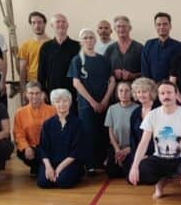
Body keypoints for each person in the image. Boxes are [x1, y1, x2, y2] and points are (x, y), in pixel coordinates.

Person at [129, 81, 181, 199]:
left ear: (175, 95)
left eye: (169, 92)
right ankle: (159, 186)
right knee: (140, 172)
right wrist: (134, 166)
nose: (166, 96)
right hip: (160, 158)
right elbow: (143, 143)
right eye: (162, 93)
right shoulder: (152, 115)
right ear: (158, 96)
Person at [68, 29, 115, 171]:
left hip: (104, 103)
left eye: (91, 38)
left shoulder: (103, 59)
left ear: (95, 40)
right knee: (89, 133)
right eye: (85, 38)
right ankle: (90, 165)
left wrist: (105, 100)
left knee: (103, 132)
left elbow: (111, 80)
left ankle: (102, 162)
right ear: (81, 41)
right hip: (86, 105)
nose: (88, 40)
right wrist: (92, 102)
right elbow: (76, 83)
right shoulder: (77, 60)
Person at [37, 89, 85, 189]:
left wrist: (60, 168)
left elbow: (77, 151)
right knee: (43, 182)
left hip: (70, 162)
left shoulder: (78, 123)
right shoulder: (47, 124)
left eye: (65, 101)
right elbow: (43, 148)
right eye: (58, 101)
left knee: (62, 182)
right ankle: (55, 174)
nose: (61, 104)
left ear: (70, 102)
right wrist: (48, 167)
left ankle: (74, 174)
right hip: (52, 162)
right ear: (53, 103)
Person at [13, 81, 55, 176]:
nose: (34, 96)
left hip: (50, 147)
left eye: (37, 93)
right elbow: (18, 134)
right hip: (32, 147)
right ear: (26, 95)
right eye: (31, 93)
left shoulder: (53, 110)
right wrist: (26, 147)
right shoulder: (20, 112)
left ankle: (44, 167)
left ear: (42, 94)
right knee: (22, 152)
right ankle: (37, 166)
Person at [38, 14, 80, 106]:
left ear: (67, 25)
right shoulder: (45, 47)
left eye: (63, 22)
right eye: (58, 22)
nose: (61, 24)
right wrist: (42, 91)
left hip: (73, 94)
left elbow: (82, 72)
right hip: (52, 95)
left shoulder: (77, 46)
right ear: (52, 25)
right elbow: (41, 73)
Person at [104, 82, 138, 178]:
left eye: (127, 91)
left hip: (132, 147)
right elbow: (110, 131)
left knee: (128, 172)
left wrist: (129, 149)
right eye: (121, 91)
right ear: (117, 93)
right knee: (111, 172)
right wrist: (117, 149)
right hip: (118, 146)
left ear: (132, 93)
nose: (123, 93)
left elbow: (140, 134)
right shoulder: (112, 109)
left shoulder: (137, 109)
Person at [141, 12, 181, 83]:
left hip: (169, 89)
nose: (162, 27)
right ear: (155, 26)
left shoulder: (177, 46)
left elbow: (177, 71)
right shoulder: (149, 44)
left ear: (170, 26)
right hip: (151, 88)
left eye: (165, 24)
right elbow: (144, 68)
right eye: (158, 24)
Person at [18, 11, 50, 104]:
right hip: (31, 85)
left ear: (44, 24)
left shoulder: (51, 44)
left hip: (47, 85)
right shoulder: (25, 45)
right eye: (33, 23)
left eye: (39, 22)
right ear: (31, 25)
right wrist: (24, 90)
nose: (37, 25)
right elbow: (22, 69)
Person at [127, 78, 158, 171]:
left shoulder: (158, 110)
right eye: (138, 92)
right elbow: (133, 139)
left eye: (144, 91)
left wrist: (148, 155)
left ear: (151, 92)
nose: (141, 95)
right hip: (140, 153)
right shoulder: (135, 113)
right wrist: (137, 156)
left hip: (156, 153)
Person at [103, 15, 143, 84]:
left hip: (135, 91)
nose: (121, 29)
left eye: (124, 26)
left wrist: (132, 76)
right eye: (118, 26)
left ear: (130, 28)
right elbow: (103, 70)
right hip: (114, 90)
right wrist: (113, 73)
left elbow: (146, 72)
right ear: (114, 29)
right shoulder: (110, 49)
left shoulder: (139, 48)